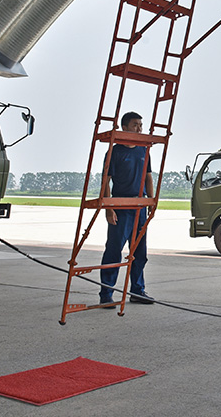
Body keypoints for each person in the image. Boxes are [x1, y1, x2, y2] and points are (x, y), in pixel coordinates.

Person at [99, 111, 155, 307]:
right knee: (114, 251)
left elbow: (148, 177)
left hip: (140, 207)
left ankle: (137, 291)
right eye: (135, 125)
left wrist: (151, 202)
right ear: (124, 127)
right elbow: (106, 181)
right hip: (120, 208)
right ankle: (106, 293)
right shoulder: (114, 152)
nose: (139, 129)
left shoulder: (144, 151)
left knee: (140, 252)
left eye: (141, 125)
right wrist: (108, 208)